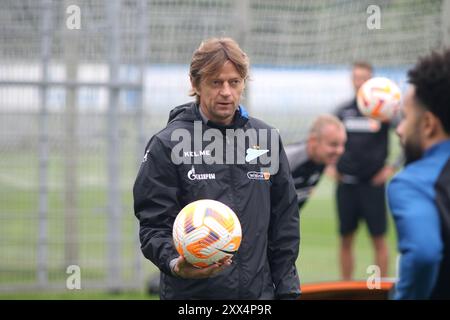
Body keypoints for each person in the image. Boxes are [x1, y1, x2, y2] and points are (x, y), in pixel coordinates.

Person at [133, 37, 301, 300]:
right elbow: (153, 225)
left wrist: (288, 290)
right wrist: (176, 263)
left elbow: (284, 223)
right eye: (216, 82)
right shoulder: (166, 144)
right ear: (195, 83)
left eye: (234, 82)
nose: (226, 92)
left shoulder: (266, 139)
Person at [387, 49, 450, 299]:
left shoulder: (412, 182)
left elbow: (424, 254)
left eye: (405, 117)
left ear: (427, 124)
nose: (399, 130)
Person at [330, 62, 400, 280]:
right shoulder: (343, 111)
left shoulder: (385, 111)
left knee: (379, 239)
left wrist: (391, 167)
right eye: (356, 77)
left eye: (364, 78)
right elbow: (328, 140)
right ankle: (346, 288)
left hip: (373, 186)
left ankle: (379, 289)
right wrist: (330, 165)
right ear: (352, 80)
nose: (359, 82)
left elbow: (408, 137)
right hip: (346, 185)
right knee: (346, 238)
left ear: (372, 82)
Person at [285, 114, 346, 209]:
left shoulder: (321, 160)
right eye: (333, 144)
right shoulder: (286, 160)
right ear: (313, 140)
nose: (340, 151)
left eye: (342, 144)